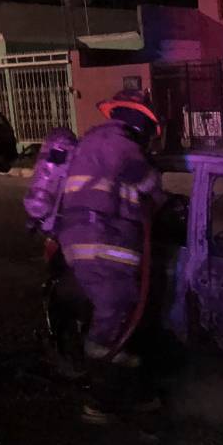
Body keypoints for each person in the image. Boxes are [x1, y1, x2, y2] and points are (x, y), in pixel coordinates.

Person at [57, 89, 165, 425]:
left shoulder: (93, 144)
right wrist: (161, 193)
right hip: (102, 242)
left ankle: (131, 394)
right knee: (115, 314)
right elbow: (147, 184)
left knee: (124, 313)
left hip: (89, 240)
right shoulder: (117, 144)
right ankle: (99, 399)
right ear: (141, 124)